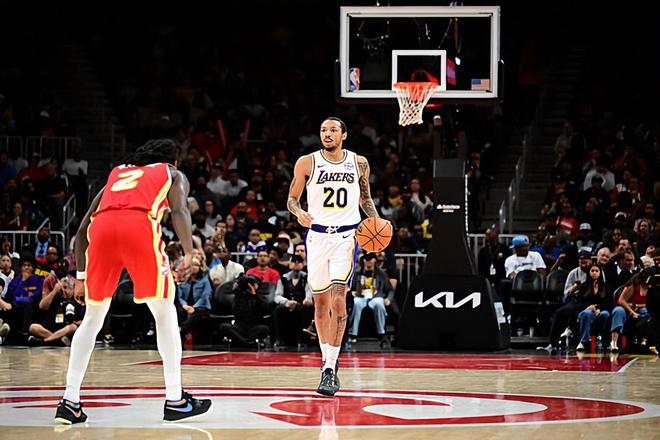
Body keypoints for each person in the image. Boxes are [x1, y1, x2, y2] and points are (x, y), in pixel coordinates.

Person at [55, 139, 211, 425]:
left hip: (101, 231)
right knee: (165, 313)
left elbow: (82, 228)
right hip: (138, 227)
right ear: (173, 160)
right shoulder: (172, 173)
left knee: (92, 319)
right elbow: (179, 210)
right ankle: (176, 400)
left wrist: (80, 278)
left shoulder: (117, 174)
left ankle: (69, 402)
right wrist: (189, 251)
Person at [287, 116, 389, 396]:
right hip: (317, 237)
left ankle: (331, 367)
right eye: (323, 130)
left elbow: (365, 198)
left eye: (333, 130)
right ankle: (326, 360)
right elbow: (292, 199)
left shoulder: (359, 162)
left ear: (344, 135)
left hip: (346, 237)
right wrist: (299, 212)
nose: (327, 134)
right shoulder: (307, 162)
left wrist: (376, 220)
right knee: (320, 305)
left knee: (338, 301)